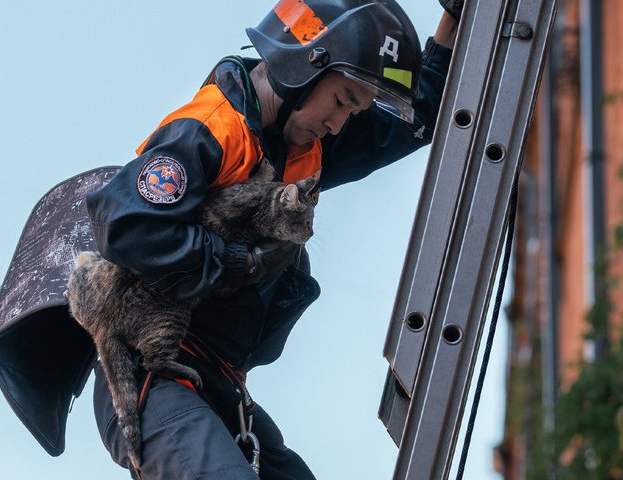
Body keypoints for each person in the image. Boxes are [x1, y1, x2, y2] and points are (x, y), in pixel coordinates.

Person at [86, 0, 459, 478]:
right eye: (344, 100)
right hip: (153, 379)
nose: (339, 123)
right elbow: (125, 225)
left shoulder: (301, 143)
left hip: (218, 382)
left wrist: (454, 16)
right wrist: (237, 261)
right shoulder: (210, 131)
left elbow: (417, 116)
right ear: (306, 63)